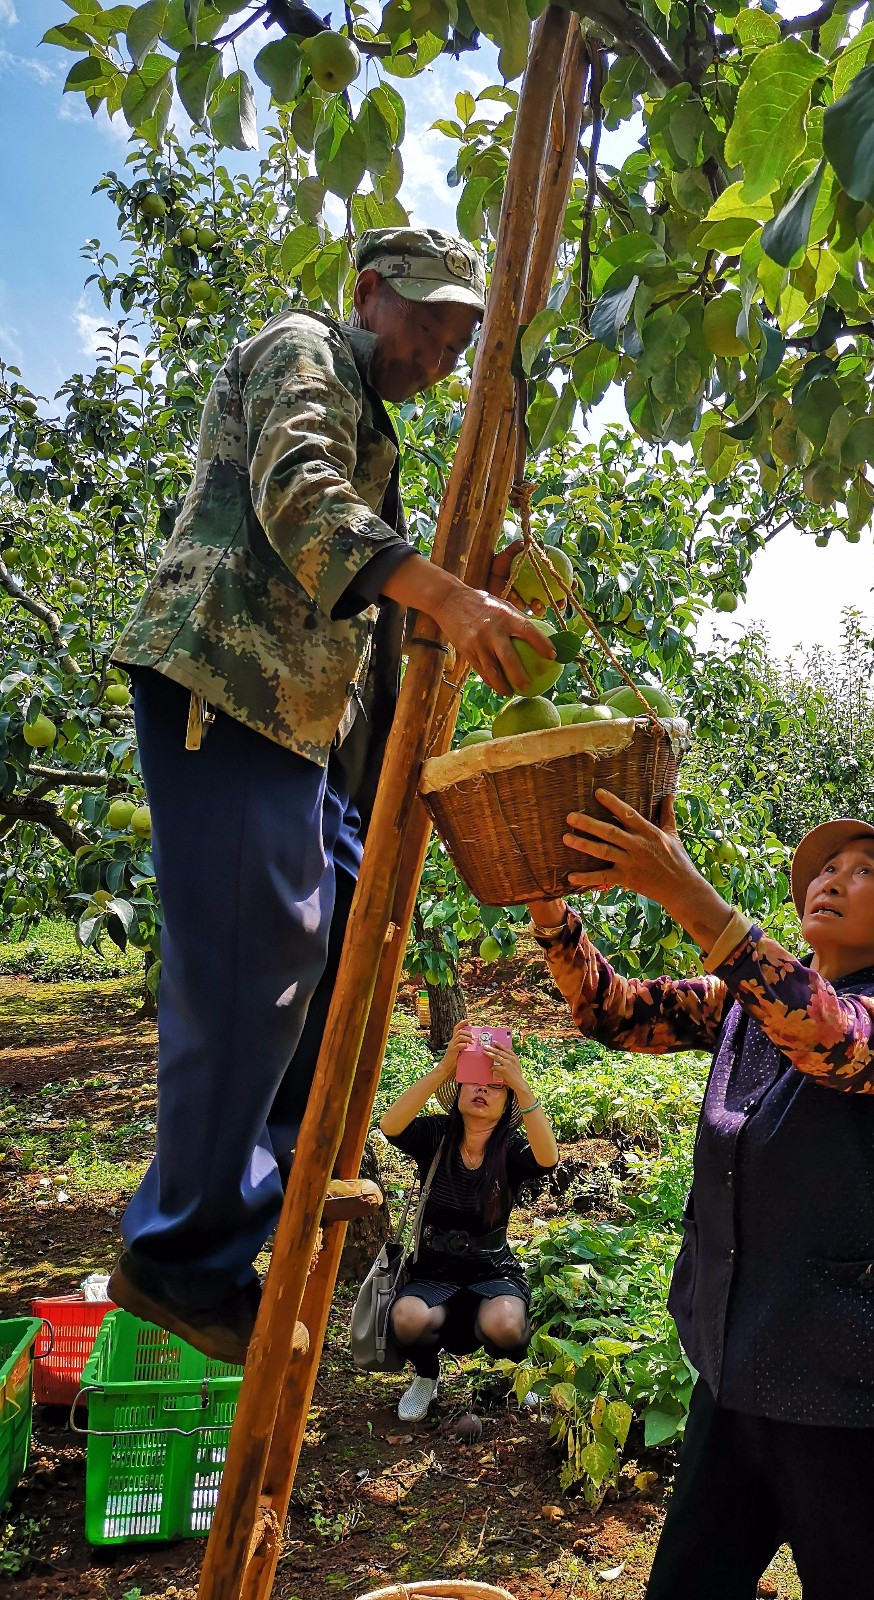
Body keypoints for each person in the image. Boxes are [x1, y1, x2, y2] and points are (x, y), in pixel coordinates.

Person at [105, 227, 556, 1365]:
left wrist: (462, 589)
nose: (441, 355)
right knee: (257, 958)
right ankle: (179, 1253)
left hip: (305, 734)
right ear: (369, 296)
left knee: (341, 937)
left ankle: (268, 1181)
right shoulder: (306, 350)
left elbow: (376, 599)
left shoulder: (382, 426)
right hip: (229, 688)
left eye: (459, 343)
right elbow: (303, 499)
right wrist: (449, 595)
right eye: (431, 326)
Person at [526, 792, 874, 1600]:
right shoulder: (744, 1003)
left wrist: (691, 894)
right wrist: (550, 911)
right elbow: (615, 1013)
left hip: (847, 1397)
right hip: (738, 1368)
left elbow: (833, 1040)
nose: (830, 879)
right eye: (827, 866)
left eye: (864, 873)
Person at [377, 1020, 558, 1420]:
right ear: (458, 1089)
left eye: (495, 1086)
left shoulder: (508, 1150)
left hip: (491, 1271)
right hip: (433, 1271)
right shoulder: (437, 1136)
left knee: (507, 1323)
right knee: (407, 1318)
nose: (482, 1090)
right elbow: (390, 1126)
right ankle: (426, 1376)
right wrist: (443, 1068)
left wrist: (522, 1086)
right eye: (474, 1081)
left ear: (507, 1101)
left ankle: (516, 1373)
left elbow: (547, 1159)